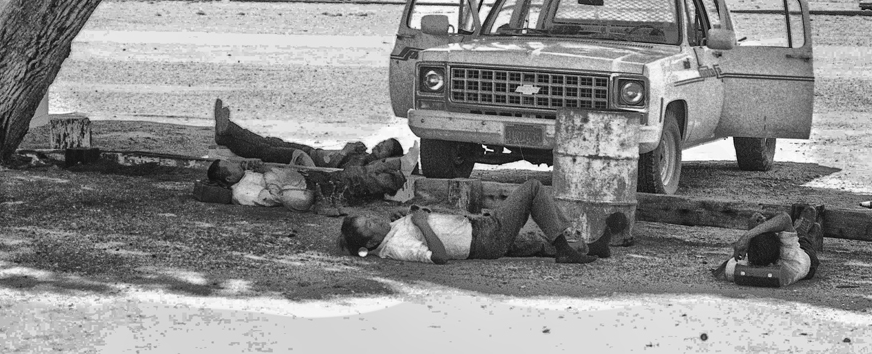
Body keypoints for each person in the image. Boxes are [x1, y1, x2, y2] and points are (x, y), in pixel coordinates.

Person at [338, 179, 628, 265]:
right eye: (368, 225)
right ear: (372, 242)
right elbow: (438, 257)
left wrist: (407, 219)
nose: (373, 219)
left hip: (480, 233)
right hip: (484, 237)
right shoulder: (397, 246)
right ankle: (565, 247)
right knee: (533, 189)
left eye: (368, 217)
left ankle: (595, 247)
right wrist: (422, 223)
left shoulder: (391, 232)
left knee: (535, 244)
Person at [213, 99, 401, 168]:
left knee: (266, 150)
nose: (379, 145)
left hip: (308, 162)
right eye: (382, 142)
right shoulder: (365, 156)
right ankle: (225, 131)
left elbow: (335, 171)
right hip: (312, 151)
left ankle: (227, 130)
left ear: (388, 157)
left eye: (385, 148)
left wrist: (345, 151)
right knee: (272, 141)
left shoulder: (366, 168)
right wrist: (354, 148)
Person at [713, 206, 823, 287]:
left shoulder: (734, 268)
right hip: (807, 258)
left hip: (770, 255)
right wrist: (748, 235)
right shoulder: (789, 259)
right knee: (802, 238)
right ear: (780, 248)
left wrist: (752, 231)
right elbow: (784, 218)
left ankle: (800, 230)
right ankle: (803, 231)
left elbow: (722, 271)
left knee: (785, 235)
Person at [207, 159, 315, 211]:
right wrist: (268, 173)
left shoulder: (244, 174)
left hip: (299, 180)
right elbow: (275, 198)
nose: (236, 164)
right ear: (229, 178)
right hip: (303, 193)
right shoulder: (241, 192)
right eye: (231, 165)